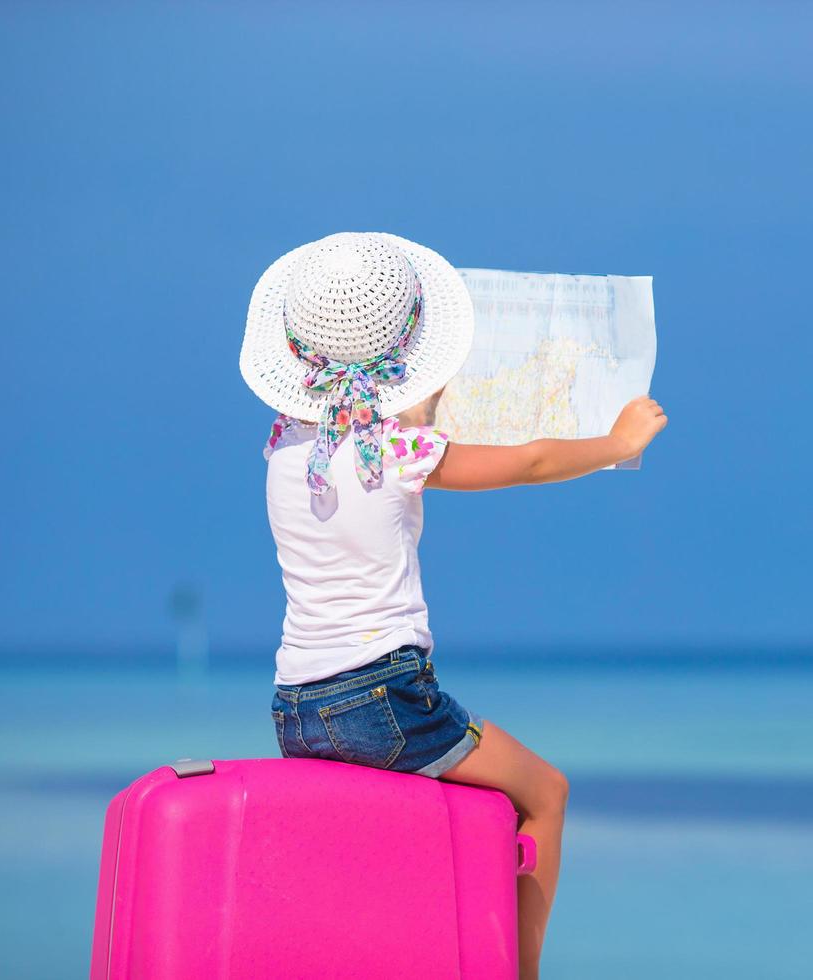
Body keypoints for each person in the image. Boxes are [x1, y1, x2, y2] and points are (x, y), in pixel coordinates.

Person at [238, 231, 666, 980]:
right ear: (404, 363)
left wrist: (409, 396)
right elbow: (529, 461)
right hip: (384, 698)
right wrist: (615, 440)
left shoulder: (282, 444)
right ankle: (522, 971)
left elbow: (366, 437)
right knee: (546, 793)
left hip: (295, 706)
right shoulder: (402, 456)